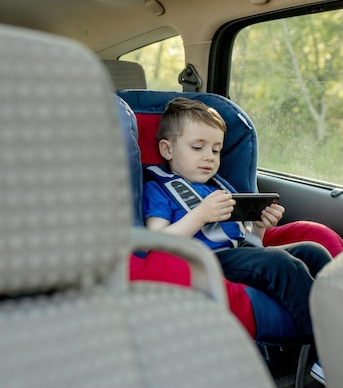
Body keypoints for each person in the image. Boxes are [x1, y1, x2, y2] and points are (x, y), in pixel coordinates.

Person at [142, 97, 332, 339]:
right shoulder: (159, 189)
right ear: (167, 149)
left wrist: (260, 226)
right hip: (206, 262)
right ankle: (329, 345)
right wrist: (200, 215)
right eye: (198, 148)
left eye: (216, 149)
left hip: (238, 254)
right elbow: (154, 240)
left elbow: (248, 242)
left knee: (312, 251)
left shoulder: (218, 187)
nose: (210, 156)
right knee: (280, 263)